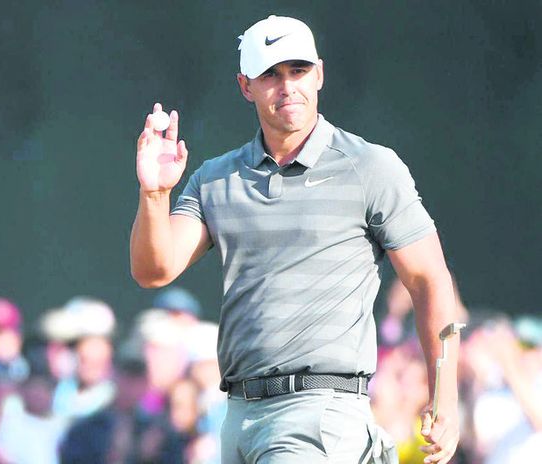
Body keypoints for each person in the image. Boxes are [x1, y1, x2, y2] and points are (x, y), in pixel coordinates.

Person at [129, 14, 461, 464]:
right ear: (246, 86)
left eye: (298, 71)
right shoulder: (216, 178)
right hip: (240, 416)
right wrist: (154, 193)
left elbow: (429, 281)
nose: (288, 87)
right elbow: (155, 269)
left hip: (320, 412)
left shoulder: (370, 167)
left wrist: (445, 395)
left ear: (319, 73)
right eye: (271, 75)